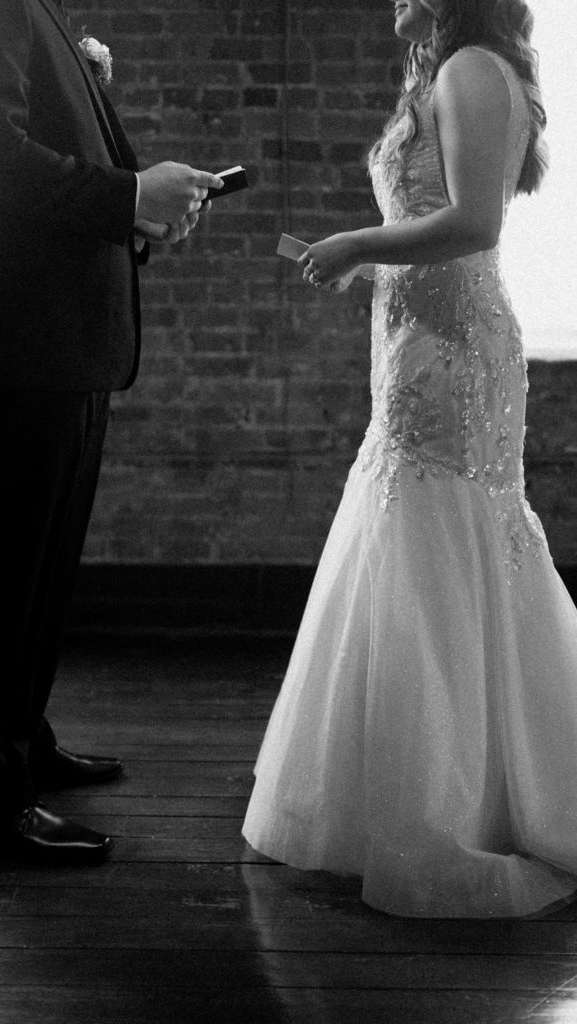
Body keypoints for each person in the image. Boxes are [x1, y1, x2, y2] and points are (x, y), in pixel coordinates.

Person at [243, 0, 577, 918]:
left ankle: (465, 798)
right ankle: (394, 788)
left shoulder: (472, 68)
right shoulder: (447, 67)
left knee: (444, 535)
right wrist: (368, 264)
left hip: (456, 344)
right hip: (415, 334)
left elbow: (474, 224)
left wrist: (358, 243)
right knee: (405, 529)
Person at [0, 0, 223, 863]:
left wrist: (138, 209)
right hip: (12, 340)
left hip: (62, 339)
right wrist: (127, 191)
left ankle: (23, 747)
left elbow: (43, 152)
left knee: (38, 573)